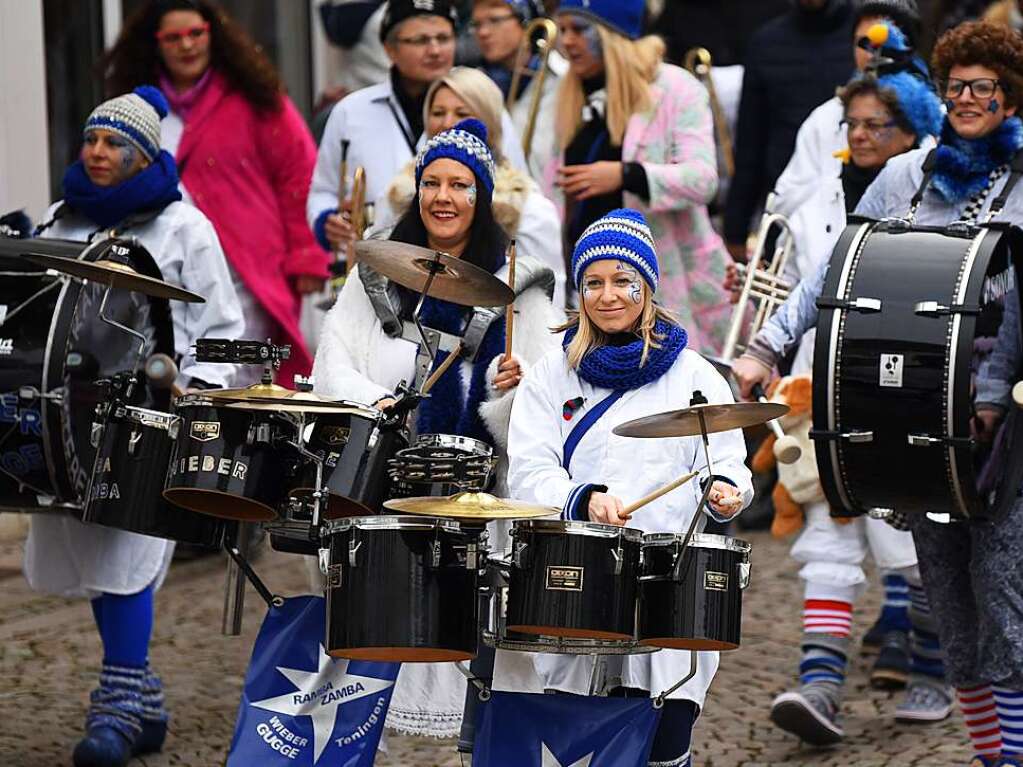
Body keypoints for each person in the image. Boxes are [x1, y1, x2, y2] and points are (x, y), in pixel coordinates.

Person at [733, 21, 1023, 766]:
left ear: (1008, 95)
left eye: (981, 86)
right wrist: (765, 347)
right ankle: (995, 757)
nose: (965, 98)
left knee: (1004, 602)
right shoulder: (907, 177)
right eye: (955, 84)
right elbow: (835, 272)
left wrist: (991, 391)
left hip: (1004, 425)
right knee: (952, 606)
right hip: (913, 413)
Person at [313, 118, 563, 739]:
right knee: (370, 645)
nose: (443, 197)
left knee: (485, 659)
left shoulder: (516, 287)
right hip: (383, 480)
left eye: (459, 185)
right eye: (432, 182)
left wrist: (508, 393)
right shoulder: (377, 269)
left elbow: (546, 406)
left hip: (480, 497)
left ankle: (486, 743)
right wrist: (388, 406)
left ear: (481, 199)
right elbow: (331, 365)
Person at [24, 87, 244, 767]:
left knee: (124, 558)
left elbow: (221, 329)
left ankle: (117, 704)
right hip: (72, 418)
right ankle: (142, 699)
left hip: (145, 419)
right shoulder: (62, 216)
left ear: (144, 153)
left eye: (113, 142)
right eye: (91, 139)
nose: (96, 153)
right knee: (92, 554)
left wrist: (192, 392)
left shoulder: (183, 227)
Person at [505, 207, 752, 767]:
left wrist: (725, 490)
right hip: (574, 572)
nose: (607, 295)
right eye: (593, 282)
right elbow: (528, 468)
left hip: (668, 578)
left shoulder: (694, 374)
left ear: (648, 287)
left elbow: (729, 461)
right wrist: (583, 499)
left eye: (623, 281)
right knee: (576, 741)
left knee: (663, 732)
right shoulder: (551, 373)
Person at [100, 0, 327, 387]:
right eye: (173, 37)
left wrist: (307, 256)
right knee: (173, 380)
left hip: (248, 274)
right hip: (165, 268)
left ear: (213, 34)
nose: (186, 45)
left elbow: (299, 177)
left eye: (195, 34)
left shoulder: (257, 96)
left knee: (242, 382)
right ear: (154, 44)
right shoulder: (137, 108)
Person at [546, 0, 733, 354]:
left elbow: (704, 179)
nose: (566, 41)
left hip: (668, 281)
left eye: (579, 30)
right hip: (591, 287)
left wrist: (625, 175)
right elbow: (551, 189)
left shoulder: (677, 87)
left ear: (613, 34)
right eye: (564, 29)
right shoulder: (567, 92)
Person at [308, 0, 528, 261]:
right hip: (373, 268)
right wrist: (327, 222)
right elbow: (322, 190)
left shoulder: (484, 105)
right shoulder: (350, 112)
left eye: (444, 38)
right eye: (420, 40)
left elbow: (518, 185)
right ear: (390, 49)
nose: (435, 50)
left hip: (469, 271)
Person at [374, 66, 566, 306]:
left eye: (462, 112)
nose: (447, 123)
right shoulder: (398, 195)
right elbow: (377, 274)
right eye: (438, 112)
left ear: (490, 121)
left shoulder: (529, 208)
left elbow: (548, 303)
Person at [722, 0, 855, 262]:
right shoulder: (766, 42)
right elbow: (751, 143)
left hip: (855, 207)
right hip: (787, 213)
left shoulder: (864, 38)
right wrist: (735, 229)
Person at [772, 0, 925, 219]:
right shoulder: (824, 119)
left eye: (882, 40)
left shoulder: (939, 119)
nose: (873, 52)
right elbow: (785, 203)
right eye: (863, 42)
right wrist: (835, 189)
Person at [470, 0, 566, 179]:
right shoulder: (471, 85)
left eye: (495, 20)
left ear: (526, 21)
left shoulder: (563, 79)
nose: (483, 32)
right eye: (476, 24)